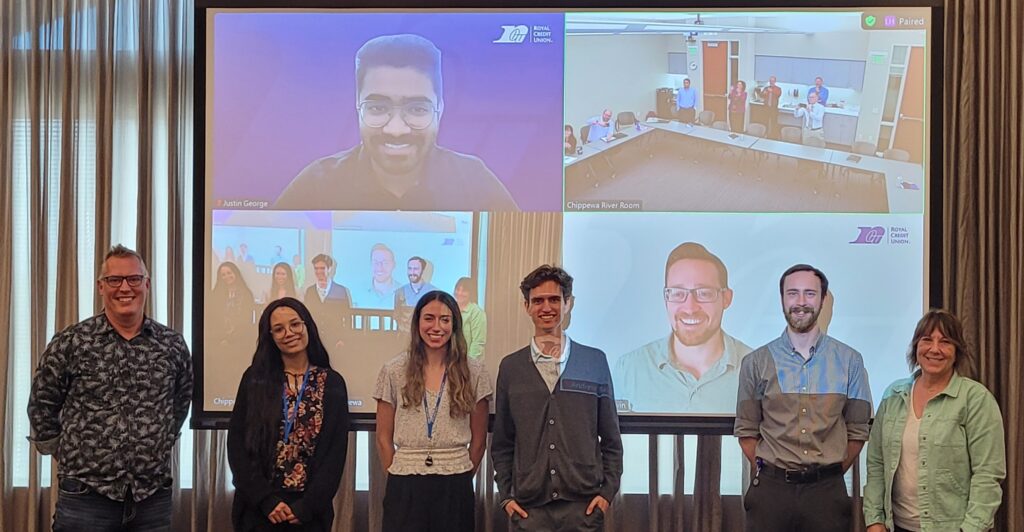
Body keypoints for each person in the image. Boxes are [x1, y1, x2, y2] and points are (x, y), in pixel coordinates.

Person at [27, 245, 193, 530]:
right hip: (85, 497)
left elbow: (179, 405)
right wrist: (71, 455)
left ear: (147, 284)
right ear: (101, 287)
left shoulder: (172, 345)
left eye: (134, 279)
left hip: (151, 497)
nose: (124, 288)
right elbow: (42, 406)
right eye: (114, 280)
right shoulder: (72, 342)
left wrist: (154, 445)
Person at [275, 34, 517, 211]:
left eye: (417, 109)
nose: (396, 130)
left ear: (440, 110)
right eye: (378, 108)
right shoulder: (316, 184)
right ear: (358, 107)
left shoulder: (475, 182)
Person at [734, 264, 872, 532]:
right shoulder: (755, 362)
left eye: (810, 293)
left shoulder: (850, 361)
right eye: (792, 293)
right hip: (771, 493)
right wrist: (772, 473)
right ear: (782, 299)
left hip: (827, 494)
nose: (801, 302)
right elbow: (746, 430)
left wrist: (825, 475)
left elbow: (857, 431)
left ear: (822, 299)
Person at [491, 265, 623, 531]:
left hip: (584, 507)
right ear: (527, 306)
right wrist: (506, 496)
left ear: (568, 303)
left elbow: (611, 437)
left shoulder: (594, 361)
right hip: (529, 509)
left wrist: (607, 492)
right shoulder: (511, 367)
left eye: (554, 299)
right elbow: (503, 441)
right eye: (538, 301)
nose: (546, 307)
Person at [863, 310, 1006, 532]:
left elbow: (987, 474)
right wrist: (874, 520)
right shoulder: (894, 395)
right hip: (897, 526)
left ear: (957, 351)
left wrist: (971, 528)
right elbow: (876, 463)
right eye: (927, 340)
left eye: (945, 342)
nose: (935, 349)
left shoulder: (976, 399)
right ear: (916, 347)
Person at [227, 297, 350, 532]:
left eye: (295, 324)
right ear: (270, 337)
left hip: (309, 513)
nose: (289, 333)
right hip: (258, 510)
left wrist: (308, 506)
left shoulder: (332, 383)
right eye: (279, 329)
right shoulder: (255, 379)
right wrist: (265, 500)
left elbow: (335, 453)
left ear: (307, 326)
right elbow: (237, 445)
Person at [374, 290, 491, 532]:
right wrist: (397, 474)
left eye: (445, 320)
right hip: (404, 484)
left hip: (455, 484)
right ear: (417, 322)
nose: (436, 327)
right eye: (429, 318)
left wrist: (459, 473)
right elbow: (383, 437)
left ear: (454, 325)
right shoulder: (393, 370)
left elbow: (479, 440)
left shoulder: (475, 372)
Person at [614, 242, 751, 413]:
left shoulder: (758, 370)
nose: (690, 308)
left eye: (704, 293)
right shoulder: (629, 368)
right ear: (666, 298)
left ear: (726, 298)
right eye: (678, 293)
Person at [303, 254, 353, 349]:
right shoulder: (310, 291)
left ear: (329, 269)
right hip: (314, 339)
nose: (319, 271)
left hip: (335, 341)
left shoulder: (340, 291)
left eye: (322, 268)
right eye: (316, 268)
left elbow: (347, 317)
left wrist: (343, 339)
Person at [210, 261, 258, 350]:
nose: (227, 276)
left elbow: (246, 319)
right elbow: (213, 318)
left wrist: (231, 339)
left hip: (240, 338)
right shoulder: (216, 294)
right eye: (223, 275)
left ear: (235, 273)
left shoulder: (246, 294)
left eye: (229, 273)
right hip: (219, 338)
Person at [454, 276, 487, 359]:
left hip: (468, 361)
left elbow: (478, 342)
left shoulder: (477, 312)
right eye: (458, 289)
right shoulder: (450, 308)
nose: (460, 293)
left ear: (471, 293)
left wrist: (468, 362)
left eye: (464, 291)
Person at [363, 243, 401, 310]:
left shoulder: (403, 292)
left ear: (393, 265)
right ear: (370, 264)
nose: (380, 267)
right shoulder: (357, 292)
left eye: (385, 263)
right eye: (376, 262)